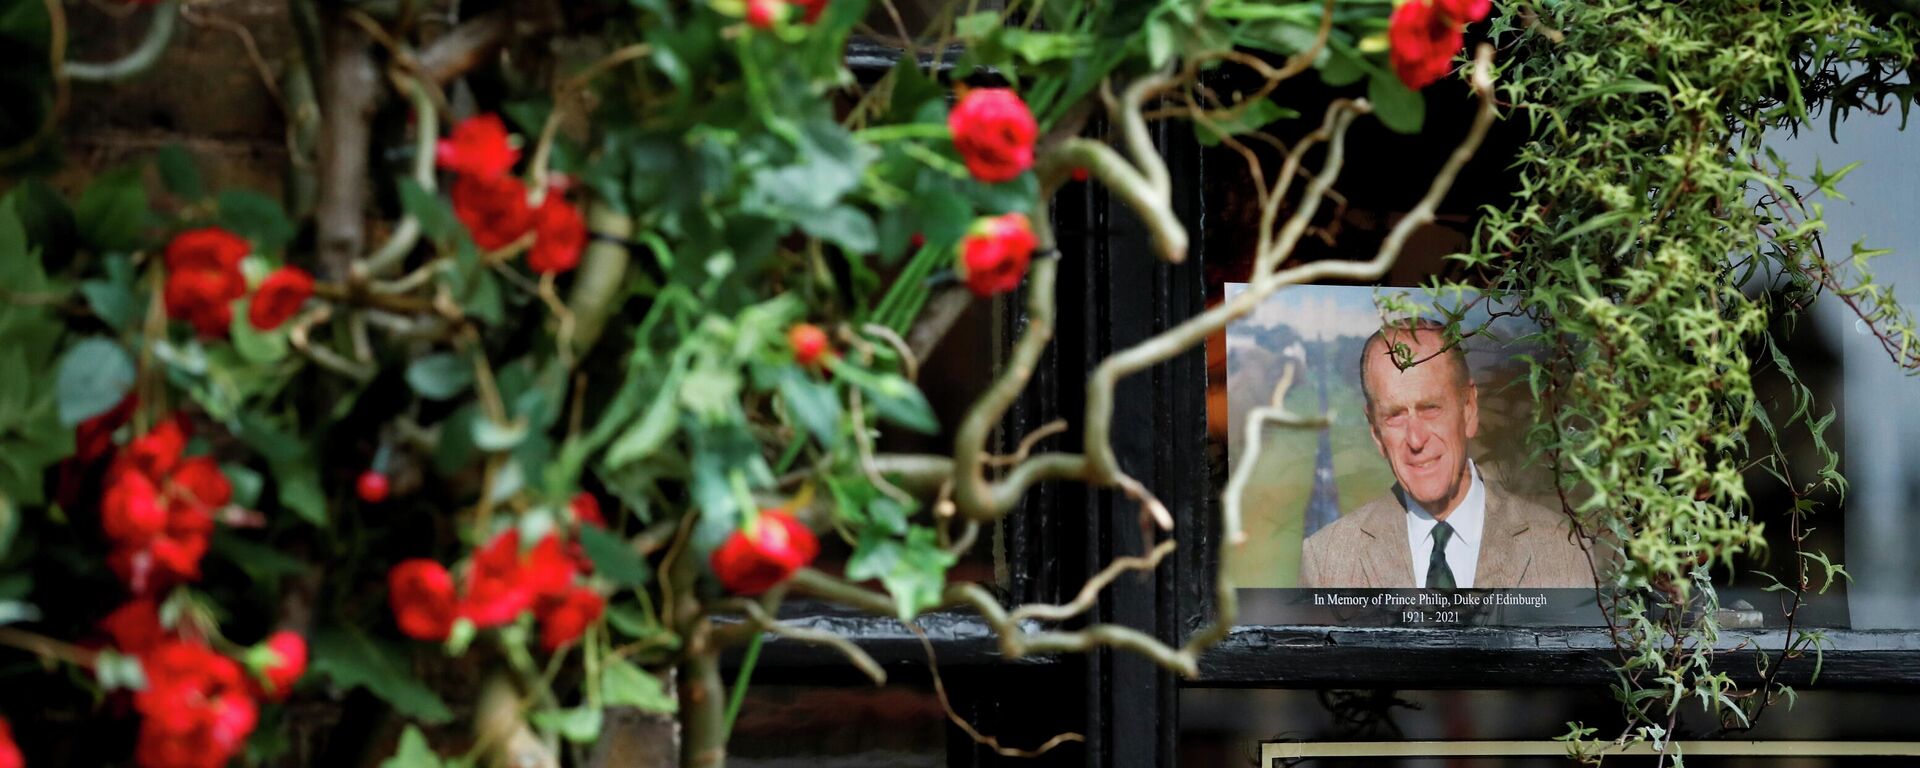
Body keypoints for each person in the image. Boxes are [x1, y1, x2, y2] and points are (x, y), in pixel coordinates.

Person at [1299, 320, 1596, 588]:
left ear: (1469, 408)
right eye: (1394, 416)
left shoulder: (1563, 548)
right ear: (1376, 432)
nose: (1416, 439)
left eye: (1431, 408)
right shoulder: (1326, 560)